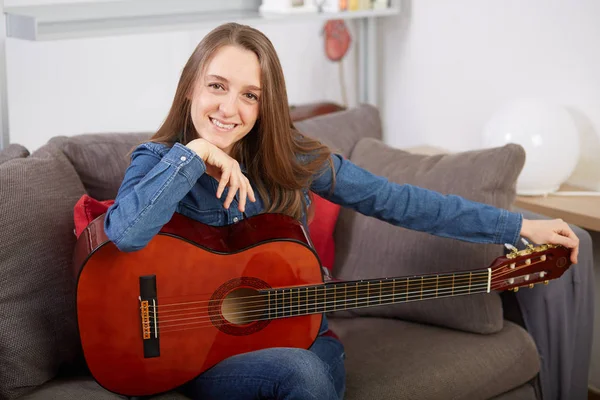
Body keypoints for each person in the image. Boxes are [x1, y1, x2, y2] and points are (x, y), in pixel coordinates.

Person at [103, 22, 580, 400]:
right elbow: (125, 233)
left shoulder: (292, 158)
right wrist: (197, 155)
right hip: (208, 358)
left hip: (305, 339)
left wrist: (518, 224)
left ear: (265, 106)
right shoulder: (158, 160)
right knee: (301, 375)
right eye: (217, 86)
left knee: (305, 370)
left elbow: (399, 202)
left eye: (250, 95)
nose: (230, 108)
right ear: (191, 88)